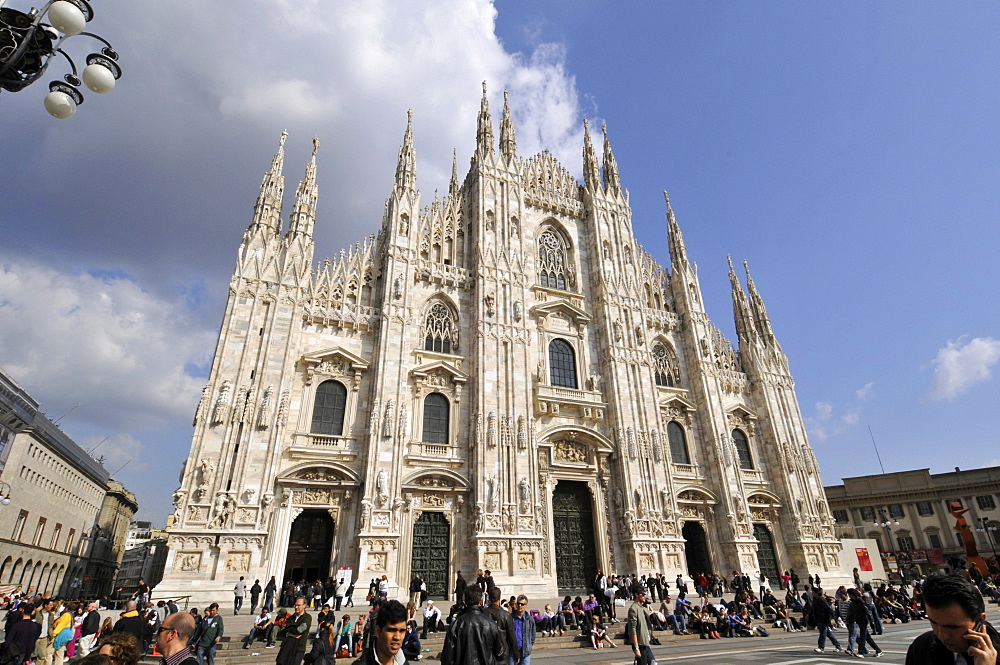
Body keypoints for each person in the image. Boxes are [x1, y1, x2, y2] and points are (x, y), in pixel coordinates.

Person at [905, 572, 998, 665]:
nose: (942, 636)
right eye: (934, 623)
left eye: (953, 627)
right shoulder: (922, 647)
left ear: (980, 620)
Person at [440, 586, 503, 665]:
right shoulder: (491, 624)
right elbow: (499, 653)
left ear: (465, 601)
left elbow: (447, 657)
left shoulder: (456, 625)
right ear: (481, 601)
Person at [352, 599, 408, 665]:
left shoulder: (403, 662)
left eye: (402, 631)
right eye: (391, 630)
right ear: (377, 631)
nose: (397, 637)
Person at [483, 588, 515, 665]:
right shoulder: (506, 615)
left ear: (489, 598)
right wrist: (516, 653)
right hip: (502, 654)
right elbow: (511, 636)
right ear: (499, 599)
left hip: (485, 653)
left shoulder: (482, 613)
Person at [276, 597, 311, 665]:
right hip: (287, 646)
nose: (296, 607)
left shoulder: (307, 617)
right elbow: (282, 631)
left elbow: (300, 630)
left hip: (299, 647)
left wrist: (290, 628)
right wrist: (290, 634)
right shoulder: (291, 618)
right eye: (295, 605)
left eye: (298, 605)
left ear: (304, 606)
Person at [627, 585, 655, 665]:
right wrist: (636, 648)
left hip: (645, 641)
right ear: (636, 595)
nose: (644, 597)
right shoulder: (633, 609)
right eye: (642, 595)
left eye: (645, 595)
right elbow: (633, 629)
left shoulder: (642, 608)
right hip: (640, 643)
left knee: (653, 662)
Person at [810, 589, 843, 654]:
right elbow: (812, 608)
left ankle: (821, 647)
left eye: (813, 592)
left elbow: (828, 609)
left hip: (824, 619)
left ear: (816, 593)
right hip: (819, 619)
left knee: (823, 633)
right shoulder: (815, 600)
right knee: (828, 633)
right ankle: (838, 645)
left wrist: (834, 616)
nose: (812, 593)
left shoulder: (822, 600)